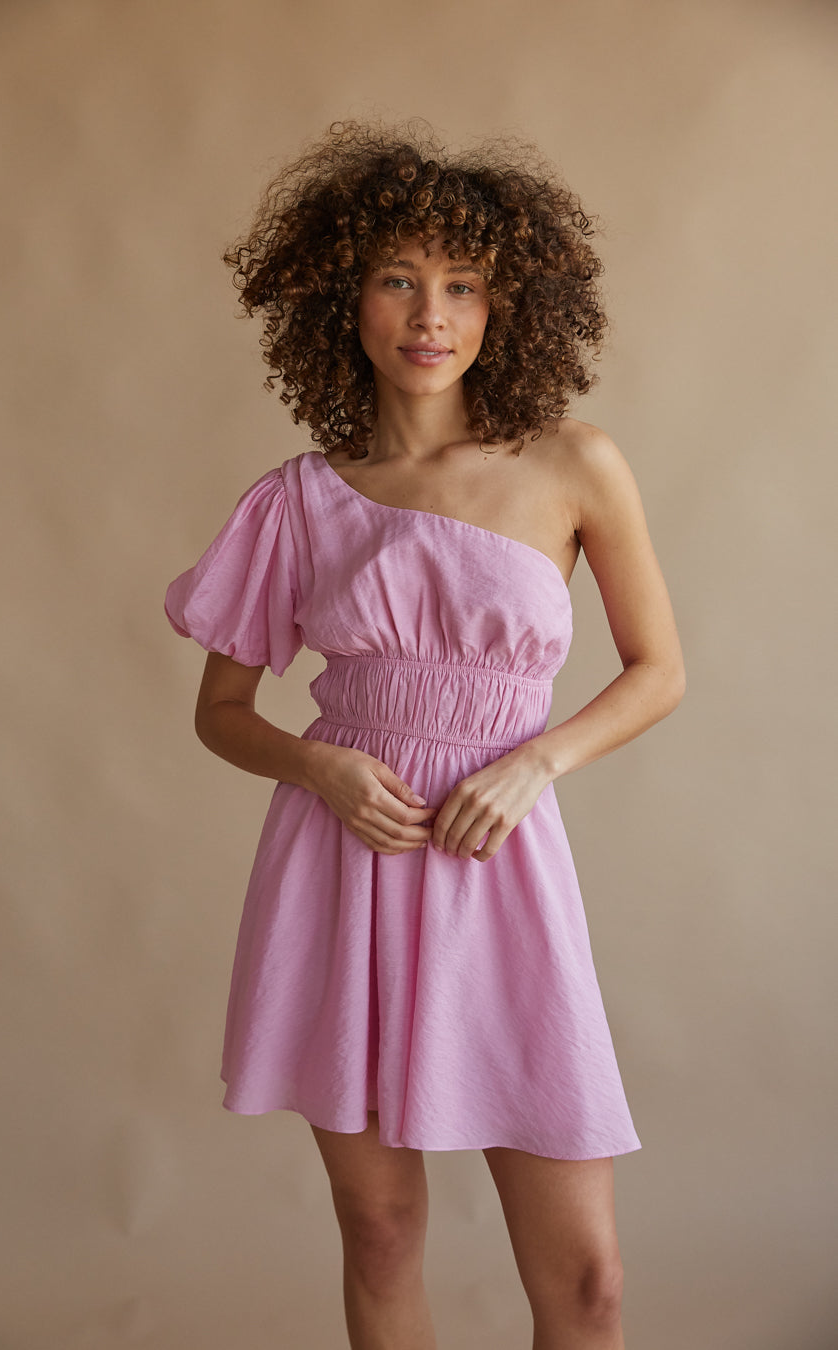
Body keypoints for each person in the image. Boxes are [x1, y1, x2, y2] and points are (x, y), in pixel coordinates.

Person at [165, 121, 685, 1350]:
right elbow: (221, 713)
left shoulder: (573, 463)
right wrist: (318, 763)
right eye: (398, 279)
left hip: (500, 858)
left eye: (462, 285)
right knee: (382, 1229)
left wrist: (536, 762)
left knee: (590, 1284)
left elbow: (659, 672)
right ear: (343, 298)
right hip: (343, 859)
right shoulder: (299, 499)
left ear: (508, 305)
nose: (430, 315)